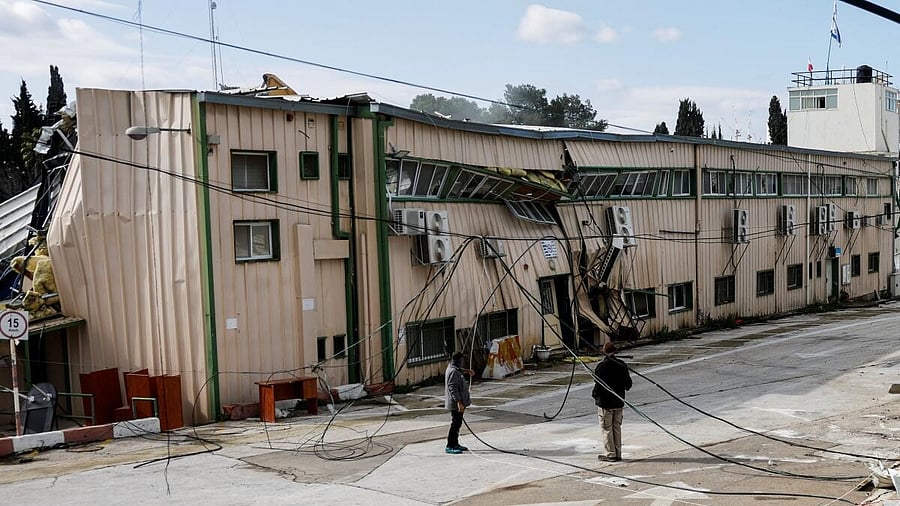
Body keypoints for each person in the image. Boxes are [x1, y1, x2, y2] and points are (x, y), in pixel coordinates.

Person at [591, 341, 632, 462]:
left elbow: (598, 385)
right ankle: (618, 453)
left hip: (606, 403)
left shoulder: (601, 367)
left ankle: (610, 454)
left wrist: (595, 396)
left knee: (607, 428)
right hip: (619, 401)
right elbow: (628, 385)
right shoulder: (622, 365)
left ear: (604, 352)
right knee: (616, 428)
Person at [445, 351, 474, 454]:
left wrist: (466, 371)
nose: (463, 362)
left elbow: (459, 369)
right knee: (455, 423)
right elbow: (452, 388)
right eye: (462, 360)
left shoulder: (454, 369)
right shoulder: (453, 371)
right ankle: (450, 445)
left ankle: (455, 443)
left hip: (460, 402)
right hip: (456, 404)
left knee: (458, 423)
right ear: (458, 360)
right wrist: (459, 402)